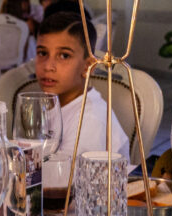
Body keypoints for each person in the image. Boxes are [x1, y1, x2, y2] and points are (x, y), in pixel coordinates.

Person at [35, 11, 128, 161]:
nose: (48, 66)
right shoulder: (52, 102)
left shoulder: (90, 120)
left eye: (64, 55)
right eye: (42, 53)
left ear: (88, 66)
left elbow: (65, 180)